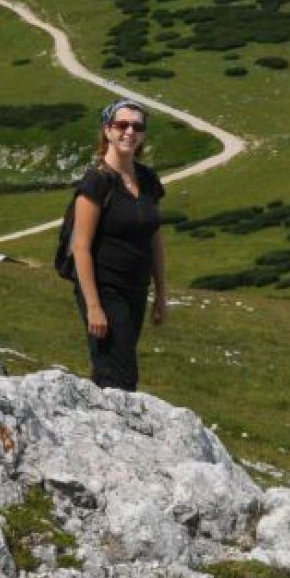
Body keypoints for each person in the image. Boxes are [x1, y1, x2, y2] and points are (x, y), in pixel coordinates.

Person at [66, 99, 168, 392]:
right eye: (122, 125)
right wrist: (94, 307)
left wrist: (161, 293)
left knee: (111, 372)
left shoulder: (148, 179)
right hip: (104, 289)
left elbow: (154, 238)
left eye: (137, 127)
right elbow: (80, 247)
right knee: (120, 376)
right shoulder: (97, 182)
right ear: (107, 130)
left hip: (135, 290)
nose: (129, 132)